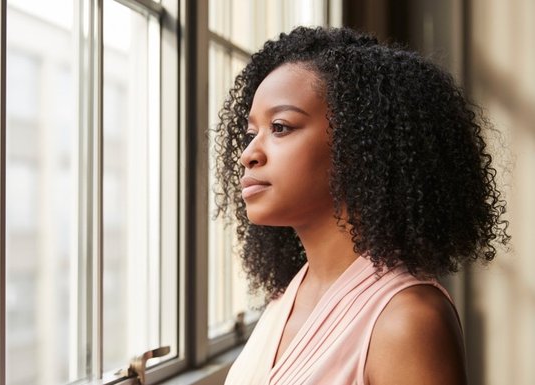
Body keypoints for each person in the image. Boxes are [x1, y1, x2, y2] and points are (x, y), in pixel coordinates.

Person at [213, 26, 509, 385]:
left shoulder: (407, 320)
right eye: (250, 133)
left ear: (356, 146)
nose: (248, 155)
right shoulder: (291, 293)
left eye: (280, 127)